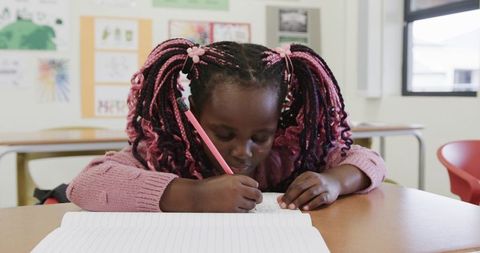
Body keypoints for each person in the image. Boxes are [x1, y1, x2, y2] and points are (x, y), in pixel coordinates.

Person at [67, 38, 386, 212]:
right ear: (192, 116)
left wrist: (334, 182)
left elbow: (369, 160)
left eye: (260, 136)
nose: (242, 151)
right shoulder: (165, 153)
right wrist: (194, 196)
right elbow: (85, 185)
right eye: (223, 134)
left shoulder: (288, 154)